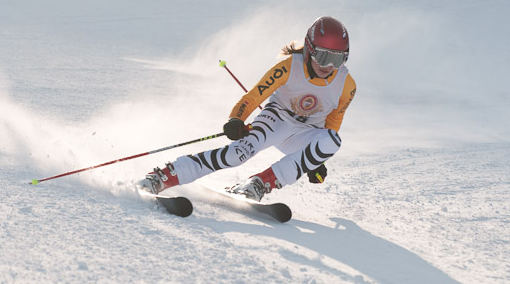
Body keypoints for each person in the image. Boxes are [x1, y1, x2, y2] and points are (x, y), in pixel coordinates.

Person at [137, 16, 356, 201]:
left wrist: (316, 161)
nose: (329, 67)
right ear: (309, 49)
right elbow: (253, 96)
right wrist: (236, 120)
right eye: (324, 56)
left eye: (338, 60)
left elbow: (333, 123)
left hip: (305, 133)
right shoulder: (289, 68)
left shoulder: (346, 85)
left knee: (333, 140)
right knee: (238, 155)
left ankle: (260, 183)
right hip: (276, 120)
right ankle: (164, 176)